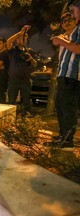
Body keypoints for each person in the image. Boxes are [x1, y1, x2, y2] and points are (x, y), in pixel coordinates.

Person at [49, 0, 80, 149]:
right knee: (60, 107)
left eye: (70, 19)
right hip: (63, 76)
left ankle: (68, 141)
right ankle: (63, 136)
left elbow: (78, 49)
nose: (66, 22)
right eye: (64, 21)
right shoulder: (65, 36)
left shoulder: (77, 32)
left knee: (68, 108)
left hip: (72, 76)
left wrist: (60, 41)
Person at [6, 25, 37, 115]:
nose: (22, 40)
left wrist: (31, 58)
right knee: (11, 101)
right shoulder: (13, 50)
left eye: (24, 39)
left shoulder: (29, 51)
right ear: (16, 40)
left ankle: (26, 119)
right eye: (20, 38)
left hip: (25, 80)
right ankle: (9, 118)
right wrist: (20, 33)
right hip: (13, 80)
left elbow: (35, 64)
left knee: (27, 102)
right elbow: (8, 42)